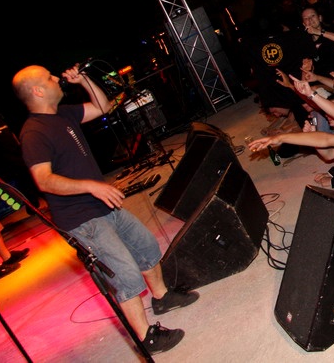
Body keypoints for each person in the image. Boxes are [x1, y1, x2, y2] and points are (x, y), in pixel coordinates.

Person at [13, 64, 199, 355]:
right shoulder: (34, 132)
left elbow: (103, 106)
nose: (56, 78)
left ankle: (162, 297)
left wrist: (85, 79)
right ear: (37, 90)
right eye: (50, 77)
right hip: (81, 218)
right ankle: (145, 338)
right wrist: (91, 186)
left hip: (103, 204)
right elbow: (43, 179)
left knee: (147, 247)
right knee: (124, 274)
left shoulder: (63, 113)